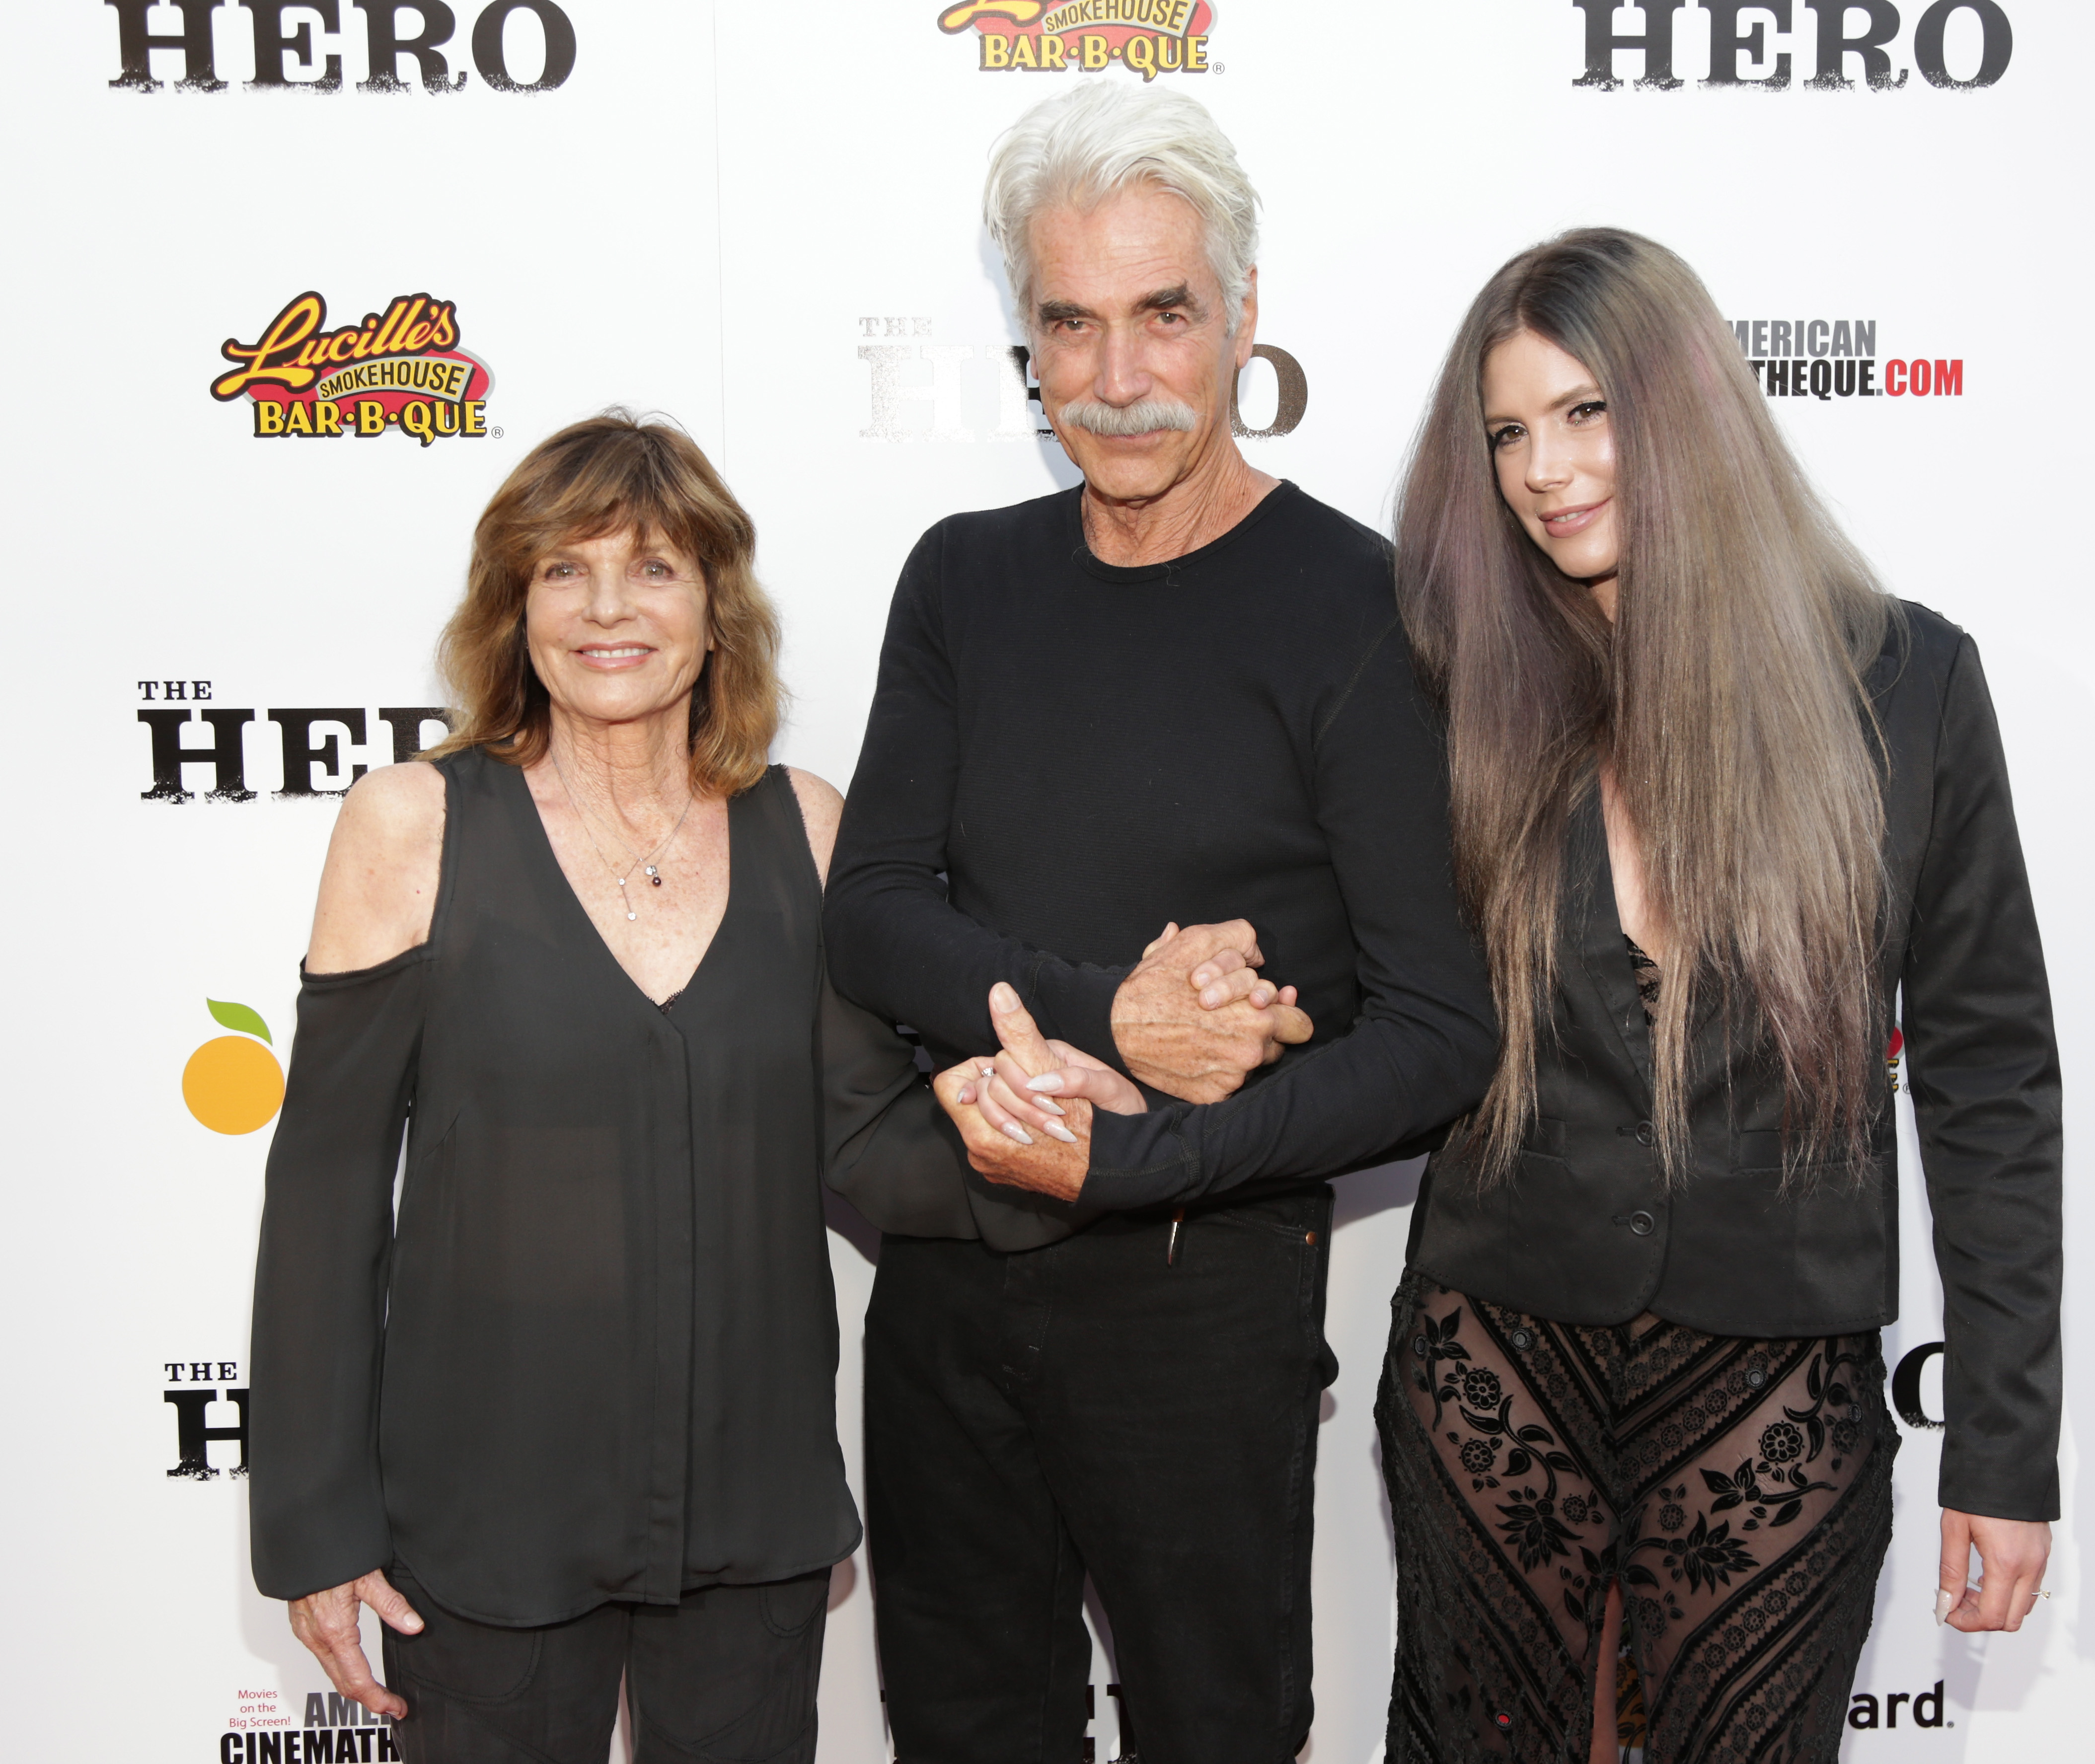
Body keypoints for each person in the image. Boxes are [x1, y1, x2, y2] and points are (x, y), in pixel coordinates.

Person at [822, 82, 1500, 1764]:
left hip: (1205, 1293)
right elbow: (874, 918)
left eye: (1162, 316)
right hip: (949, 1286)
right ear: (1024, 336)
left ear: (1242, 318)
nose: (1116, 381)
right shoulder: (962, 577)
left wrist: (1132, 1161)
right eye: (1069, 323)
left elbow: (1437, 1036)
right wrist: (1108, 1023)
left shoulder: (1360, 604)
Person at [1371, 228, 2062, 1763]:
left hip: (1774, 1356)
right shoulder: (1447, 677)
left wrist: (2005, 1450)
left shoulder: (1903, 684)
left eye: (1585, 411)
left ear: (1682, 409)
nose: (1544, 470)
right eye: (1507, 431)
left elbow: (1991, 1080)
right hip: (1496, 1338)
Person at [248, 412, 949, 1764]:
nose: (608, 608)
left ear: (716, 607)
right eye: (564, 570)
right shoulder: (415, 824)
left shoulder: (804, 824)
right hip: (483, 1518)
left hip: (753, 1511)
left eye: (655, 568)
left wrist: (1080, 1127)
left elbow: (875, 1146)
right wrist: (317, 1530)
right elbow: (328, 1191)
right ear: (513, 607)